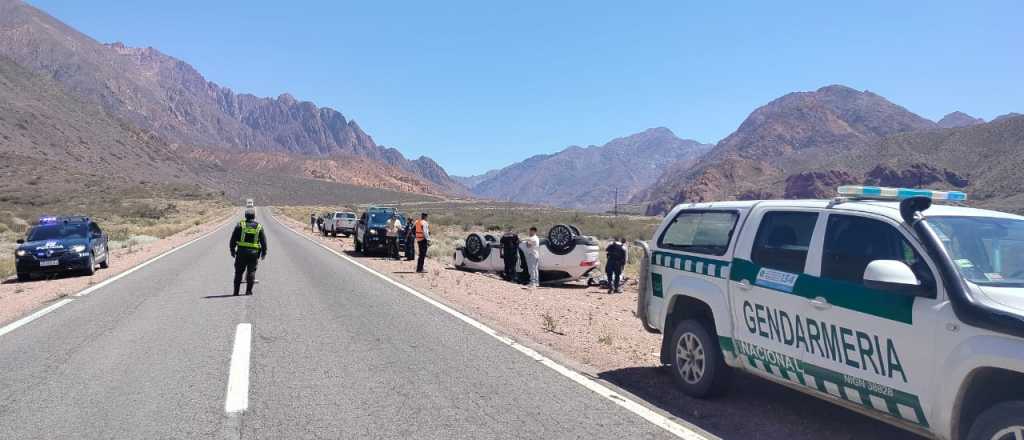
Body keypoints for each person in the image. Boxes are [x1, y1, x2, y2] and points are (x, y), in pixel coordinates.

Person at [229, 209, 267, 296]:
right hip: (254, 253)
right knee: (251, 272)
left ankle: (236, 292)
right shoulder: (259, 227)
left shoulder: (240, 225)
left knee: (238, 272)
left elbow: (233, 239)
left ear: (245, 216)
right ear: (254, 217)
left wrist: (232, 250)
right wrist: (264, 253)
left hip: (241, 252)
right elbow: (263, 241)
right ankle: (248, 291)